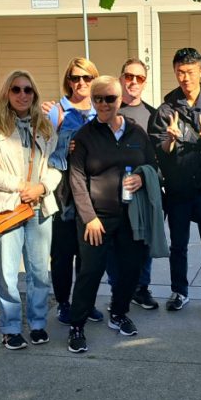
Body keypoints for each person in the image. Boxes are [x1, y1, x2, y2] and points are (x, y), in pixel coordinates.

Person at [66, 76, 158, 353]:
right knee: (90, 273)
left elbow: (153, 166)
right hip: (97, 219)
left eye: (110, 98)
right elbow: (77, 180)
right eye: (98, 99)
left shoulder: (137, 133)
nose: (104, 104)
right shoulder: (83, 137)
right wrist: (89, 217)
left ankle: (118, 313)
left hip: (132, 217)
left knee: (131, 270)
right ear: (92, 101)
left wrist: (142, 178)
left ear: (121, 100)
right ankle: (77, 325)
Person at [0, 70, 62, 350]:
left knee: (39, 271)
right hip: (7, 206)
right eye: (16, 89)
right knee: (7, 272)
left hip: (39, 206)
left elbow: (55, 166)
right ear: (6, 93)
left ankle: (37, 324)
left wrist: (41, 188)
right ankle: (11, 327)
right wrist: (21, 185)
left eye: (28, 90)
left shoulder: (45, 127)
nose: (22, 95)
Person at [148, 48, 201, 316]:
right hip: (178, 190)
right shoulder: (165, 109)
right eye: (181, 72)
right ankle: (179, 291)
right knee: (178, 245)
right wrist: (170, 138)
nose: (186, 77)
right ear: (175, 72)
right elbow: (159, 150)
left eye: (190, 72)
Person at [48, 57, 103, 326]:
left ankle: (86, 301)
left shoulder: (101, 109)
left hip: (94, 192)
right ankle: (64, 303)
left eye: (86, 78)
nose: (80, 83)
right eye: (75, 78)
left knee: (88, 253)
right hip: (64, 192)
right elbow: (46, 154)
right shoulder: (56, 111)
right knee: (62, 253)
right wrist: (66, 145)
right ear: (68, 81)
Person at [104, 58, 159, 310]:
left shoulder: (153, 114)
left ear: (145, 82)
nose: (133, 82)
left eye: (139, 78)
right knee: (114, 245)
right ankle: (118, 290)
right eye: (128, 76)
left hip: (141, 190)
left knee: (143, 242)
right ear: (121, 78)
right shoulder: (108, 110)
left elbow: (157, 157)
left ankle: (141, 288)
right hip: (111, 193)